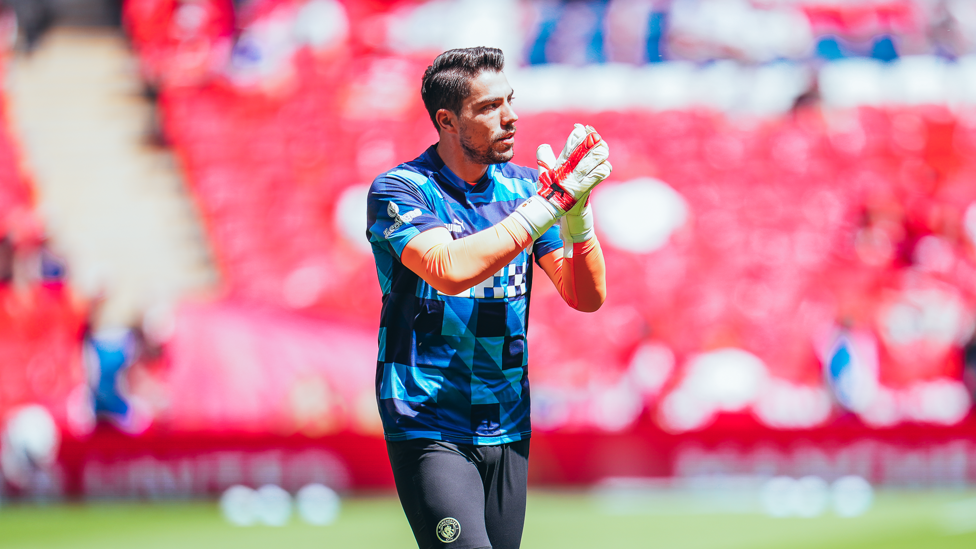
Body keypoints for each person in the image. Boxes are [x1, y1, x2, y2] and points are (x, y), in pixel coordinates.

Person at [366, 46, 611, 549]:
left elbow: (585, 297)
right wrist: (550, 205)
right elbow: (449, 269)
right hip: (429, 420)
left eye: (511, 100)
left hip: (507, 419)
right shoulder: (401, 189)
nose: (511, 116)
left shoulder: (526, 190)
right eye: (489, 106)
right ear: (447, 120)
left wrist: (577, 217)